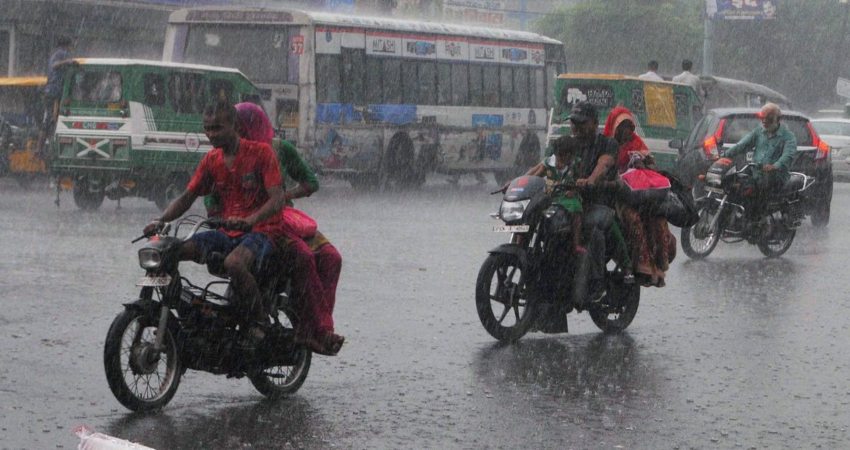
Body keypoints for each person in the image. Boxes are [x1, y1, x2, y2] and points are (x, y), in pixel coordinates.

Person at [143, 100, 286, 351]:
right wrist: (160, 220)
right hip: (227, 233)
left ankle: (260, 322)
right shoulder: (211, 160)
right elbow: (187, 197)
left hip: (262, 232)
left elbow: (278, 199)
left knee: (233, 263)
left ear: (235, 126)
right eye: (207, 129)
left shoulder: (262, 154)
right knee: (169, 251)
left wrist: (250, 220)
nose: (210, 135)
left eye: (217, 128)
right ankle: (188, 315)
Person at [226, 102, 344, 356]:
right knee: (301, 257)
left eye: (240, 127)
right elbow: (210, 193)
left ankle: (317, 324)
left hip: (285, 219)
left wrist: (281, 196)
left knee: (332, 258)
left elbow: (311, 182)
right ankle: (317, 330)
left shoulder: (279, 149)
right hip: (257, 226)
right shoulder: (228, 155)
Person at [603, 106, 676, 287]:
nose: (627, 131)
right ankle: (642, 266)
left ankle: (658, 268)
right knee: (633, 219)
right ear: (615, 128)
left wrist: (642, 164)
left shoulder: (636, 143)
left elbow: (651, 164)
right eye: (623, 127)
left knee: (657, 219)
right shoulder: (606, 145)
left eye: (630, 127)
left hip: (639, 195)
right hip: (617, 197)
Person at [562, 102, 622, 301]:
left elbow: (603, 164)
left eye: (581, 123)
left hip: (600, 204)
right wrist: (522, 179)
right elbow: (546, 164)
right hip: (573, 202)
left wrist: (590, 180)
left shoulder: (607, 144)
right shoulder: (569, 144)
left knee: (592, 228)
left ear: (595, 124)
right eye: (573, 123)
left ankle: (597, 283)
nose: (576, 128)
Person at [722, 102, 797, 217]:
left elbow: (788, 155)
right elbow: (742, 145)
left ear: (778, 119)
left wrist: (775, 165)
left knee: (758, 196)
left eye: (769, 118)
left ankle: (756, 221)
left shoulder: (788, 136)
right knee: (733, 184)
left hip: (775, 177)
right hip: (756, 172)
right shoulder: (758, 132)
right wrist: (724, 155)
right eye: (762, 118)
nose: (765, 121)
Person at [525, 135, 586, 255]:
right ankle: (521, 242)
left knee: (576, 210)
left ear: (571, 155)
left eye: (565, 156)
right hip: (549, 197)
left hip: (567, 198)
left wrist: (574, 190)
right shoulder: (548, 163)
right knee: (529, 211)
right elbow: (533, 176)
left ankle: (576, 244)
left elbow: (581, 180)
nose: (560, 160)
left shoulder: (576, 164)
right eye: (559, 156)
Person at [37, 36, 77, 157]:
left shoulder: (58, 53)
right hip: (54, 92)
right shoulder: (61, 53)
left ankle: (44, 147)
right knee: (50, 119)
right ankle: (41, 148)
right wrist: (68, 62)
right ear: (67, 45)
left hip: (54, 91)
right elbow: (55, 65)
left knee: (51, 120)